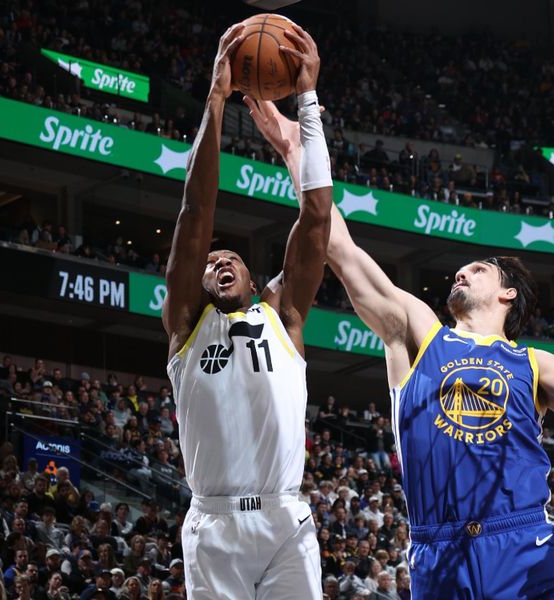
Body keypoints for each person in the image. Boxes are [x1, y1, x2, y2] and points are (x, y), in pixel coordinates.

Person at [249, 99, 554, 599]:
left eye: (479, 269)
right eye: (461, 269)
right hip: (439, 551)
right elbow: (338, 246)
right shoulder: (420, 333)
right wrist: (297, 148)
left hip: (524, 550)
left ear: (508, 294)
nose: (461, 272)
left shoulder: (534, 363)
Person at [162, 22, 332, 600]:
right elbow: (194, 212)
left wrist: (306, 100)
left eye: (232, 258)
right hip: (213, 526)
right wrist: (215, 97)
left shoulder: (282, 316)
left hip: (285, 520)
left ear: (257, 280)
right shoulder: (187, 323)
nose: (221, 262)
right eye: (213, 263)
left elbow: (315, 220)